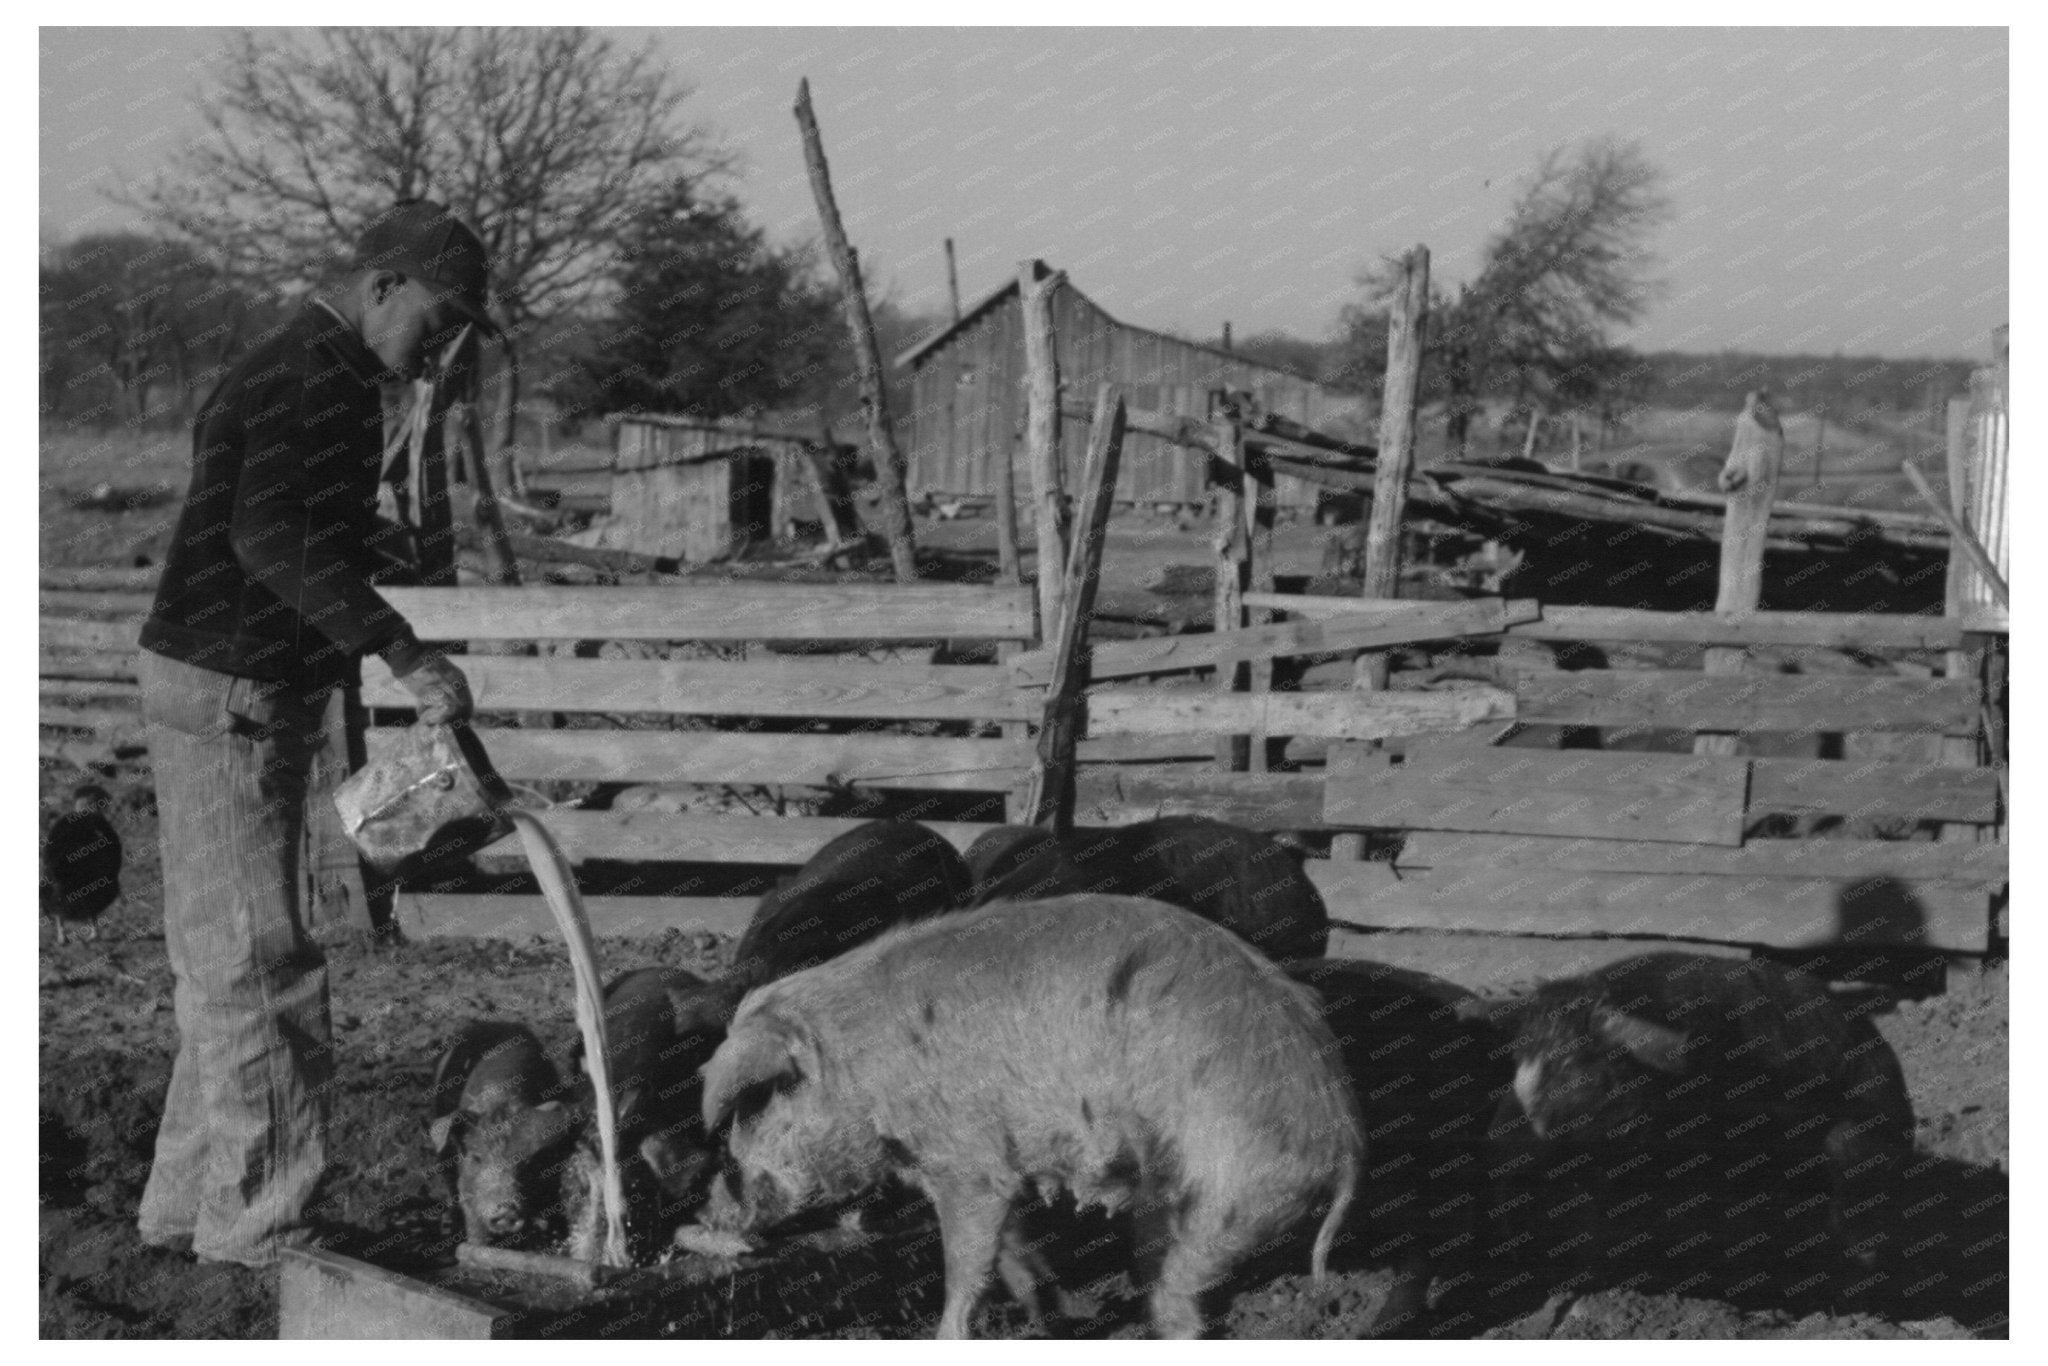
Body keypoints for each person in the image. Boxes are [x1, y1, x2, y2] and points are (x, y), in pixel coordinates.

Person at [135, 200, 496, 1268]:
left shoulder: (307, 366)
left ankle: (186, 1209)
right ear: (383, 286)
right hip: (233, 690)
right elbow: (265, 534)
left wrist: (366, 540)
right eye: (439, 318)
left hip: (231, 681)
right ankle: (263, 1228)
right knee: (264, 963)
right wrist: (403, 650)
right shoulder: (314, 377)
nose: (442, 345)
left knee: (228, 962)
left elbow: (263, 507)